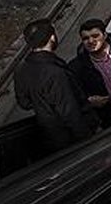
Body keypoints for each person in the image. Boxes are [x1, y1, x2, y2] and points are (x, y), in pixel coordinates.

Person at [14, 19, 97, 151]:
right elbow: (71, 113)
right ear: (52, 37)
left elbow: (24, 103)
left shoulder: (21, 70)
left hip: (50, 138)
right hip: (74, 140)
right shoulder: (55, 72)